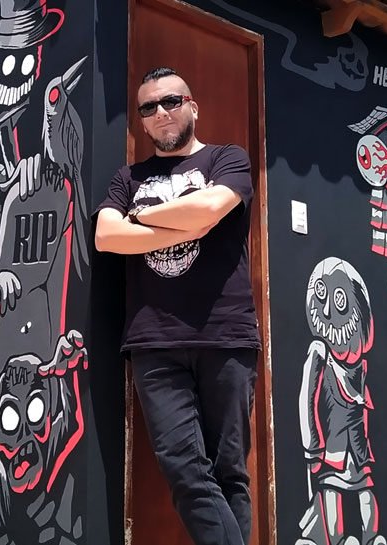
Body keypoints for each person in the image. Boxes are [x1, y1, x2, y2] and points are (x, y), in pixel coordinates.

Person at [94, 67, 261, 545]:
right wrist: (185, 223)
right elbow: (106, 236)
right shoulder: (127, 178)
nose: (161, 113)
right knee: (184, 468)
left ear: (192, 107)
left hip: (225, 334)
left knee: (230, 471)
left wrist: (142, 218)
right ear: (142, 121)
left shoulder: (227, 158)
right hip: (154, 342)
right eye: (149, 107)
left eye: (171, 101)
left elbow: (209, 210)